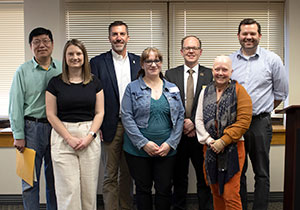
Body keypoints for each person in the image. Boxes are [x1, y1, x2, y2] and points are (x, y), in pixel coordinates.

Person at [229, 18, 289, 210]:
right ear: (239, 36)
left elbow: (281, 93)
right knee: (239, 171)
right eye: (245, 34)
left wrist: (262, 110)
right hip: (236, 123)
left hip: (260, 123)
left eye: (252, 34)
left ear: (259, 36)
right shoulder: (229, 61)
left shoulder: (272, 60)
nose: (248, 37)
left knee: (261, 172)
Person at [121, 47, 184, 210]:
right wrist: (143, 143)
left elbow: (180, 118)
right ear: (142, 64)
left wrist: (170, 143)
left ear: (161, 63)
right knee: (143, 190)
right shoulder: (132, 88)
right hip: (138, 150)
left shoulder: (172, 88)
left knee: (164, 189)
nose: (153, 64)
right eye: (148, 61)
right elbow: (126, 117)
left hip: (166, 149)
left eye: (156, 60)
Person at [45, 39, 104, 210]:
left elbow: (100, 112)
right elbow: (51, 114)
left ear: (84, 57)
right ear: (65, 57)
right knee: (68, 191)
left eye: (78, 53)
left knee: (88, 191)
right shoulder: (55, 83)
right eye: (70, 53)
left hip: (89, 135)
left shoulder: (95, 82)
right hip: (63, 136)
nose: (75, 57)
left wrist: (90, 136)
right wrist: (69, 138)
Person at [90, 21, 140, 210]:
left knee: (128, 174)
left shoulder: (138, 62)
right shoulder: (97, 63)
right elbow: (92, 96)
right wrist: (98, 127)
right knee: (110, 174)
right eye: (114, 34)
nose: (118, 38)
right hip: (110, 126)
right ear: (109, 38)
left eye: (122, 34)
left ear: (128, 37)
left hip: (134, 127)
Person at [9, 27, 61, 210]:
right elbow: (15, 105)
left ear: (52, 44)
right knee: (29, 180)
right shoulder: (22, 71)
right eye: (36, 42)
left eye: (45, 41)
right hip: (31, 129)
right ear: (31, 46)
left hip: (57, 130)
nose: (42, 45)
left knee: (55, 180)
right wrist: (18, 135)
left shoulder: (62, 68)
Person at [195, 55, 252, 210]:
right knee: (216, 192)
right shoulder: (205, 92)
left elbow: (243, 122)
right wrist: (209, 141)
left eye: (224, 69)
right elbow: (198, 120)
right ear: (212, 70)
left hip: (233, 148)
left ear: (231, 71)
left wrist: (223, 141)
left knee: (230, 194)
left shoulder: (240, 91)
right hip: (210, 148)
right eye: (217, 69)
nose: (220, 73)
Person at [165, 35, 213, 210]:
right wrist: (184, 124)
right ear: (181, 51)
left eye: (194, 48)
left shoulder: (210, 74)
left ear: (200, 52)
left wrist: (193, 122)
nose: (191, 51)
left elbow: (212, 104)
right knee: (179, 177)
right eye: (187, 48)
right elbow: (168, 103)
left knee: (204, 177)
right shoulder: (171, 74)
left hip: (202, 135)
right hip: (178, 134)